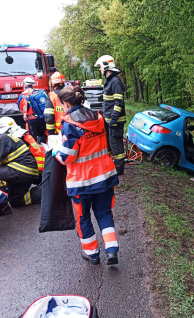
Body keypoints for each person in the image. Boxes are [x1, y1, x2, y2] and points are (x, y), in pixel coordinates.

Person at [55, 85, 120, 265]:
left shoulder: (70, 125)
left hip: (81, 182)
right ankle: (112, 250)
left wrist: (56, 153)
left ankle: (92, 254)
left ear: (66, 104)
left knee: (83, 217)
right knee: (104, 213)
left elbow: (68, 157)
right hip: (105, 176)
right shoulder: (98, 117)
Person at [0, 115, 41, 208]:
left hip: (22, 171)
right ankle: (45, 192)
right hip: (25, 172)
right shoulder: (5, 138)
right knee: (15, 200)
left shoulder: (1, 139)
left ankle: (1, 204)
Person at [94, 55, 126, 175]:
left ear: (106, 67)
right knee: (109, 143)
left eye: (100, 67)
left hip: (115, 121)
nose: (100, 70)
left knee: (116, 145)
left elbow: (118, 103)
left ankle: (119, 169)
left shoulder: (115, 82)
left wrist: (113, 119)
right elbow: (110, 100)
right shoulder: (109, 81)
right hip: (109, 120)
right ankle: (110, 164)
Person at [17, 77, 48, 144]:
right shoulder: (38, 93)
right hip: (42, 119)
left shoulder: (22, 96)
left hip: (30, 121)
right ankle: (44, 151)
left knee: (32, 139)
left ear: (25, 85)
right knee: (43, 136)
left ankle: (35, 153)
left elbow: (20, 109)